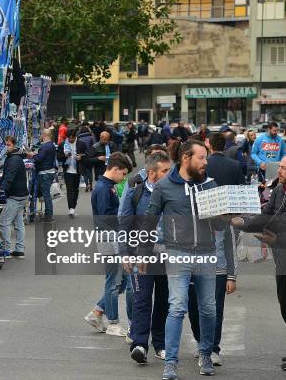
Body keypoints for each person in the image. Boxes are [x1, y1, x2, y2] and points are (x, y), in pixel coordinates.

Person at [141, 139, 222, 379]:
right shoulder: (165, 186)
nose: (206, 162)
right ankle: (171, 362)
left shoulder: (210, 184)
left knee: (208, 308)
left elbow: (219, 225)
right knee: (177, 306)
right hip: (177, 253)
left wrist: (226, 215)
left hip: (207, 254)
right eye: (201, 158)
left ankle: (205, 352)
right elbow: (149, 220)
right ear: (186, 158)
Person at [187, 133, 243, 367]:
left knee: (215, 309)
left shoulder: (220, 208)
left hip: (217, 266)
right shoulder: (188, 206)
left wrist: (231, 274)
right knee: (192, 307)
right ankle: (202, 342)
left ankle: (212, 348)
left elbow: (228, 240)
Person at [231, 155, 286, 372]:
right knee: (285, 307)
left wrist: (278, 239)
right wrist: (241, 222)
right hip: (281, 261)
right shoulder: (279, 190)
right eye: (280, 166)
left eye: (283, 168)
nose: (279, 171)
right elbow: (266, 215)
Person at [120, 151, 172, 364]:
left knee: (163, 301)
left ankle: (160, 344)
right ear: (152, 173)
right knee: (141, 300)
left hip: (167, 257)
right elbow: (123, 224)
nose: (170, 174)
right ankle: (140, 344)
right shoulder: (135, 193)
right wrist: (124, 254)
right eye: (165, 171)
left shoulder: (173, 193)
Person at [84, 153, 133, 337]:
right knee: (114, 282)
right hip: (109, 237)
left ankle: (97, 312)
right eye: (123, 173)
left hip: (110, 236)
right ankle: (113, 323)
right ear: (114, 169)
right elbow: (106, 217)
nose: (124, 178)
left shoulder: (107, 186)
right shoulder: (104, 189)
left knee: (122, 281)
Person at [0, 136, 29, 258]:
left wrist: (1, 189)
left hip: (16, 196)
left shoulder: (14, 159)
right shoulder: (15, 157)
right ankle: (20, 249)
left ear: (14, 145)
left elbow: (9, 177)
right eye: (5, 144)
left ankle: (6, 249)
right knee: (18, 222)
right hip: (22, 195)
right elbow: (7, 176)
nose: (6, 147)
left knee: (4, 221)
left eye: (8, 145)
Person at [29, 129, 57, 222]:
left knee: (46, 195)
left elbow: (39, 159)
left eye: (41, 135)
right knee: (44, 194)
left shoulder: (45, 146)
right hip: (49, 171)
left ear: (44, 135)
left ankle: (48, 215)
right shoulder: (51, 145)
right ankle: (43, 213)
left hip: (44, 173)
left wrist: (33, 155)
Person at [63, 129, 85, 217]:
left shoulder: (81, 144)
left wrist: (81, 158)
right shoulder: (63, 145)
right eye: (69, 138)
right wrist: (64, 156)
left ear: (76, 137)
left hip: (77, 170)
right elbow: (59, 157)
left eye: (72, 138)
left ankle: (73, 206)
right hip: (68, 170)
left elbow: (86, 155)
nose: (71, 140)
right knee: (70, 189)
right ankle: (71, 208)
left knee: (75, 189)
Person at [78, 126, 96, 192]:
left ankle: (86, 184)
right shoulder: (91, 137)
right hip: (90, 156)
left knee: (84, 172)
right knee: (90, 171)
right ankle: (91, 184)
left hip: (82, 156)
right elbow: (95, 145)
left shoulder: (79, 138)